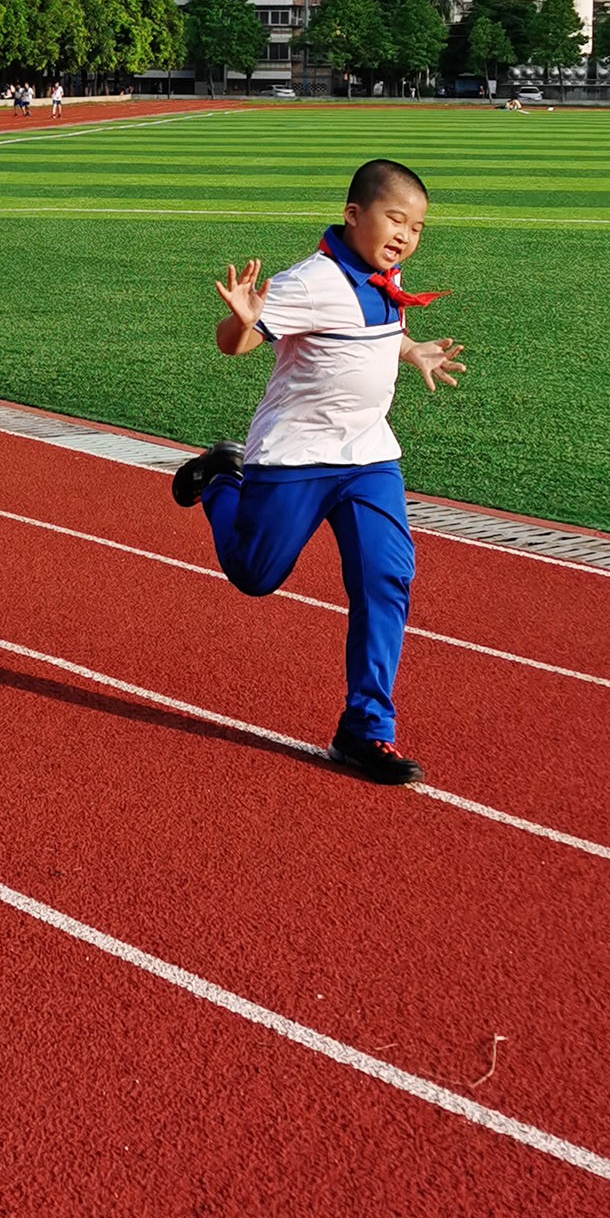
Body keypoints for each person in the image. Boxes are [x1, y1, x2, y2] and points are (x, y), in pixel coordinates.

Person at [168, 157, 466, 785]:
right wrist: (243, 319)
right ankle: (223, 476)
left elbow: (379, 331)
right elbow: (236, 345)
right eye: (394, 220)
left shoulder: (386, 276)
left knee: (386, 576)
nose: (405, 235)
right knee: (254, 575)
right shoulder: (312, 281)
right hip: (296, 456)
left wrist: (413, 351)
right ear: (354, 216)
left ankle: (365, 729)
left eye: (415, 227)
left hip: (368, 457)